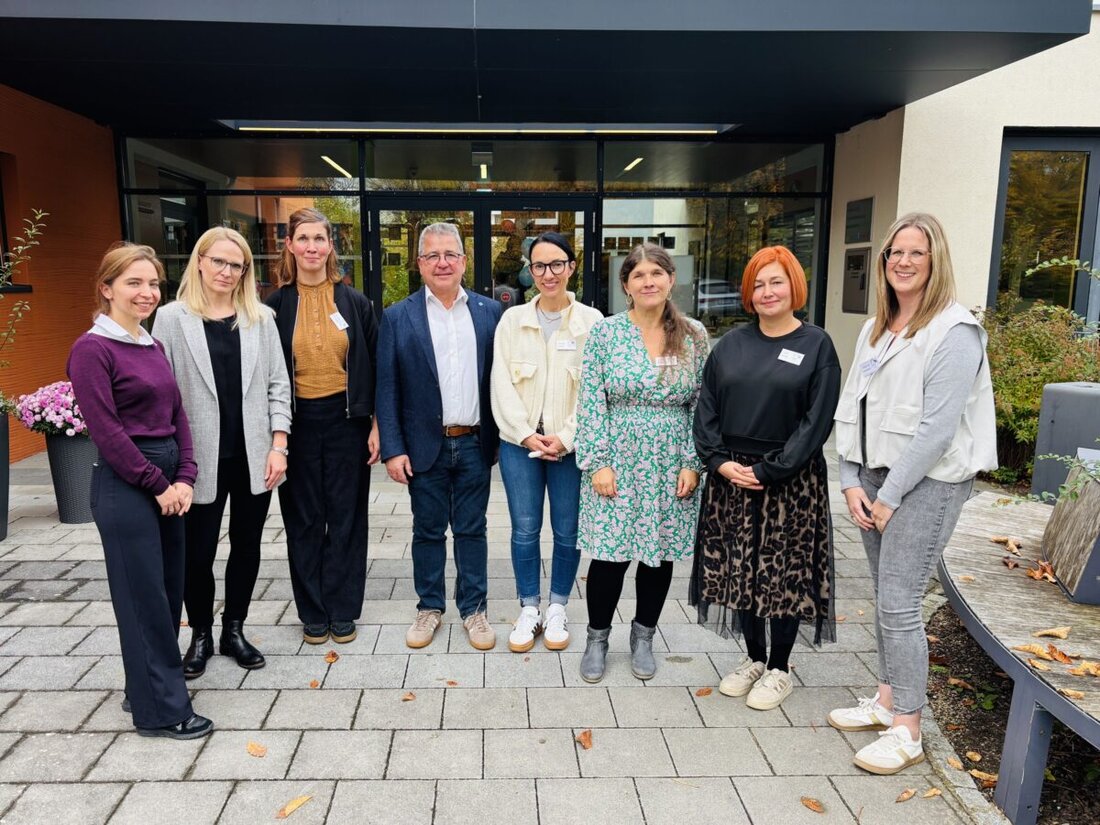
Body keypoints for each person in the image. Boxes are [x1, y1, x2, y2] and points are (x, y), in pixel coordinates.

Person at [830, 212, 997, 774]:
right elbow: (852, 404)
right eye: (894, 252)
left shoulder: (954, 331)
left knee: (900, 603)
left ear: (935, 261)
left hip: (927, 484)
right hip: (874, 480)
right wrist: (851, 480)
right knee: (885, 596)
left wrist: (889, 496)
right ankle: (886, 701)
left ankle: (908, 728)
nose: (902, 262)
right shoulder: (878, 327)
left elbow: (937, 429)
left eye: (915, 253)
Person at [68, 242, 212, 739]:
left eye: (152, 283)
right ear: (106, 289)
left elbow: (177, 415)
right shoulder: (92, 349)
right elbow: (108, 433)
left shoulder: (149, 345)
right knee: (143, 598)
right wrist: (158, 485)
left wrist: (186, 476)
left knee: (169, 594)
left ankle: (143, 687)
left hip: (169, 481)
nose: (147, 292)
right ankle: (163, 712)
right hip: (128, 486)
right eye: (133, 283)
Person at [690, 246, 841, 711]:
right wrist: (717, 462)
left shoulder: (817, 346)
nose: (767, 292)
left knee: (784, 574)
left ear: (794, 285)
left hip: (789, 481)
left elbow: (817, 422)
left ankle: (779, 668)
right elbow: (707, 409)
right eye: (758, 284)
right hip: (731, 477)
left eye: (776, 282)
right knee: (739, 569)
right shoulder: (731, 345)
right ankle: (753, 657)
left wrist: (772, 469)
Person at [153, 227, 292, 677]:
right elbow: (163, 393)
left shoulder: (259, 319)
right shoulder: (172, 319)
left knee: (247, 546)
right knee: (197, 552)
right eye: (219, 261)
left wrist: (279, 444)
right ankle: (200, 635)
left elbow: (277, 385)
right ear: (199, 261)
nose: (227, 272)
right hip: (197, 459)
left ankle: (235, 628)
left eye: (237, 265)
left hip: (253, 455)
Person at [574, 242, 707, 682]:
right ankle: (597, 637)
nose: (648, 281)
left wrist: (693, 462)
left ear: (671, 279)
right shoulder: (606, 334)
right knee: (610, 557)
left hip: (672, 462)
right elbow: (591, 401)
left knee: (659, 556)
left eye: (657, 273)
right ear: (626, 286)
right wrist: (597, 462)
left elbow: (703, 405)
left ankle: (644, 635)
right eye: (638, 275)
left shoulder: (693, 335)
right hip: (618, 457)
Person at [376, 222, 503, 651]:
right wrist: (392, 449)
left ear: (465, 261)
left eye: (450, 254)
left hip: (474, 441)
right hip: (422, 446)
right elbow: (387, 387)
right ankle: (429, 606)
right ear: (419, 263)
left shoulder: (489, 313)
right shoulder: (397, 316)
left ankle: (474, 610)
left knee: (472, 530)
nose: (442, 262)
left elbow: (501, 380)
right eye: (432, 255)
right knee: (427, 530)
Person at [267, 208, 380, 645]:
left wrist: (376, 425)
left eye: (320, 238)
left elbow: (376, 364)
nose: (312, 246)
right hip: (295, 424)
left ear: (331, 246)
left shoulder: (355, 302)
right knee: (304, 519)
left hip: (347, 422)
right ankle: (313, 610)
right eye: (303, 238)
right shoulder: (274, 307)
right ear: (291, 246)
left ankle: (343, 608)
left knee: (347, 517)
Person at [490, 232, 603, 652]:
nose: (548, 273)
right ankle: (529, 607)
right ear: (528, 271)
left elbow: (595, 390)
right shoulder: (511, 320)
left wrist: (566, 437)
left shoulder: (592, 323)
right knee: (523, 529)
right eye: (539, 266)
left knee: (567, 530)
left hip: (569, 448)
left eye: (557, 264)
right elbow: (500, 382)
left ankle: (557, 606)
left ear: (571, 267)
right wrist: (524, 432)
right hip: (519, 445)